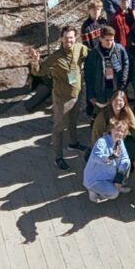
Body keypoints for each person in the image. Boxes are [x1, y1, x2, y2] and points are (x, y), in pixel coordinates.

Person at [42, 25, 86, 169]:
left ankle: (73, 143)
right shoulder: (56, 57)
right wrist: (35, 62)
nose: (69, 40)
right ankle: (58, 157)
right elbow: (40, 70)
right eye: (66, 38)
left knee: (73, 120)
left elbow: (91, 54)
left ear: (75, 38)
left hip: (77, 94)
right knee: (59, 127)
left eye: (71, 38)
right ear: (61, 39)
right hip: (62, 98)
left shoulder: (80, 48)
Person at [83, 118, 132, 203]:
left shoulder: (119, 141)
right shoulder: (102, 142)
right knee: (114, 194)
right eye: (117, 130)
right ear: (111, 129)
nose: (119, 133)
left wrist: (119, 178)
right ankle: (94, 191)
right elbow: (97, 156)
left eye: (122, 132)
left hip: (110, 175)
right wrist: (110, 157)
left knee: (127, 162)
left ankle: (118, 185)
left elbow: (125, 158)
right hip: (96, 179)